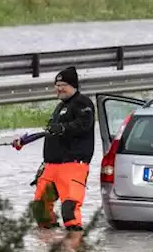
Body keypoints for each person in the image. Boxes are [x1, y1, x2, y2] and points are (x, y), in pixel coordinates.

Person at [12, 66, 96, 233]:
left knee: (69, 211)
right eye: (56, 85)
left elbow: (84, 125)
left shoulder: (83, 103)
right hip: (50, 166)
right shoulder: (60, 107)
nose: (58, 88)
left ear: (73, 85)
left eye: (62, 84)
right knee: (39, 210)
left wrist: (63, 128)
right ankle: (47, 248)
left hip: (73, 165)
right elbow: (49, 131)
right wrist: (24, 140)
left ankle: (75, 249)